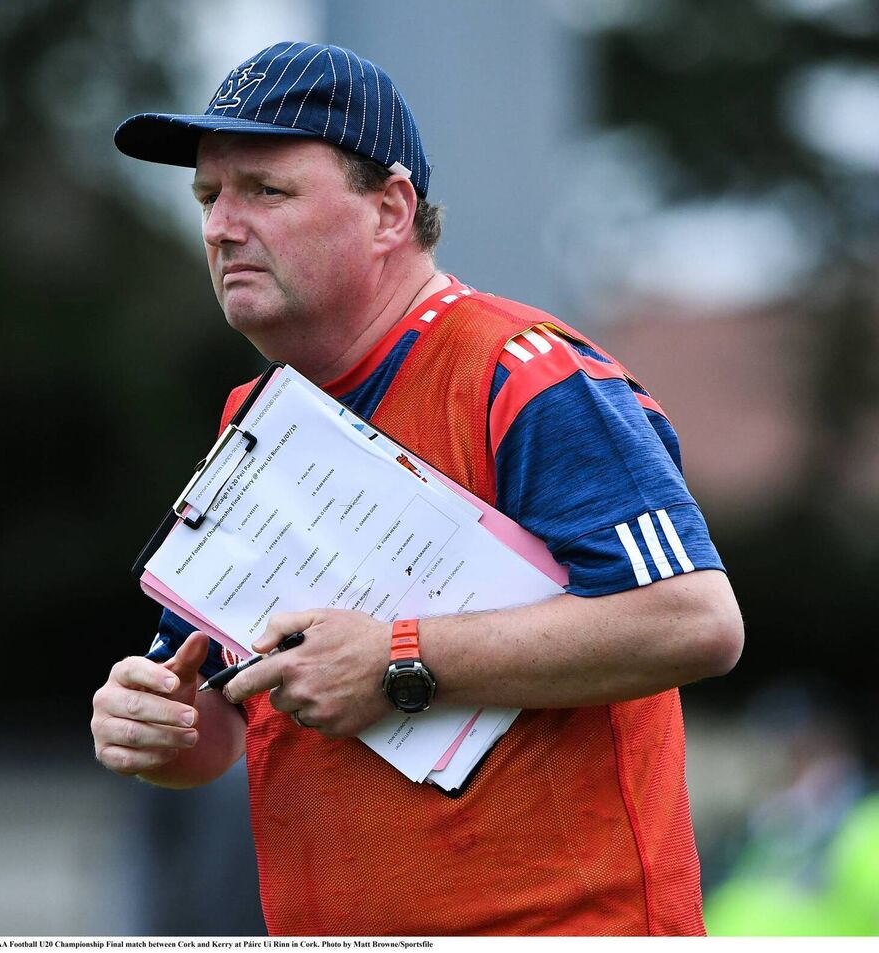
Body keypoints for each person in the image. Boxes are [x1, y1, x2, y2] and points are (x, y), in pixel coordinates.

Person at [92, 41, 744, 936]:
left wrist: (398, 660)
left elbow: (696, 621)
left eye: (266, 191)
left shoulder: (523, 373)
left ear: (390, 211)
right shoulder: (255, 414)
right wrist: (155, 726)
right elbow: (217, 722)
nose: (221, 227)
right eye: (210, 197)